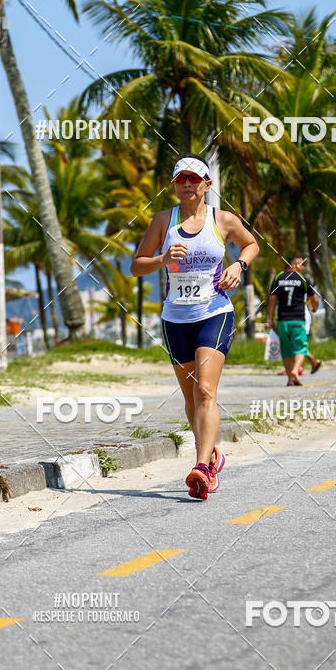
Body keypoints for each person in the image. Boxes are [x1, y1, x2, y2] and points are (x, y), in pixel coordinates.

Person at [131, 154, 259, 500]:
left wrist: (239, 266)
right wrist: (161, 259)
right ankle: (213, 453)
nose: (187, 184)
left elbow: (252, 244)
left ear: (207, 184)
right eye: (180, 179)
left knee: (205, 390)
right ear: (174, 185)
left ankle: (202, 467)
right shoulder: (163, 221)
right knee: (190, 397)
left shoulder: (224, 220)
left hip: (214, 312)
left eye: (193, 178)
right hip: (176, 319)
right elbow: (136, 266)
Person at [267, 256, 320, 386]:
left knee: (286, 350)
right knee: (301, 348)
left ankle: (290, 379)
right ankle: (295, 371)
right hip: (297, 320)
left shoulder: (278, 278)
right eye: (301, 265)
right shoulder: (303, 279)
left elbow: (272, 301)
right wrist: (314, 307)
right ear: (294, 265)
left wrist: (270, 320)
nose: (302, 268)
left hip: (282, 320)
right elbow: (315, 298)